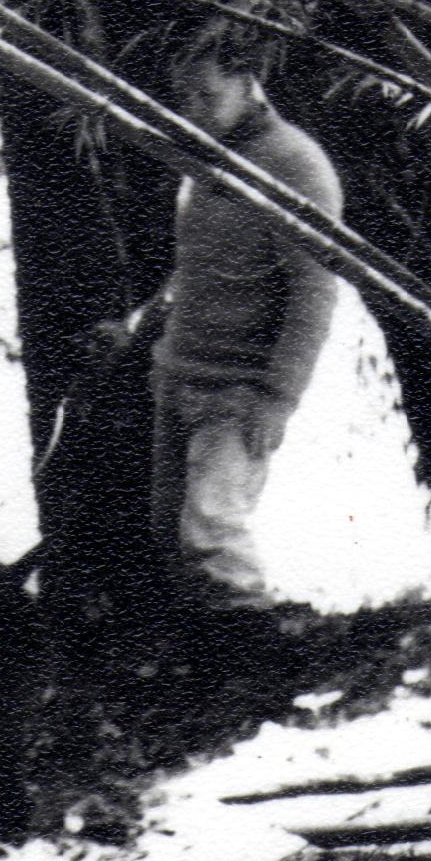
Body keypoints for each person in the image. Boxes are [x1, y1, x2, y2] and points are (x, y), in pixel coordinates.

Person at [150, 50, 344, 610]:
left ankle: (258, 653)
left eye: (207, 96)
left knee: (213, 531)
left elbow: (315, 289)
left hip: (239, 389)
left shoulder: (293, 165)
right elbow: (199, 268)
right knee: (169, 535)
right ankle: (211, 675)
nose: (194, 111)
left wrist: (279, 398)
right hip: (180, 377)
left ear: (248, 82)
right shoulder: (209, 161)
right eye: (184, 98)